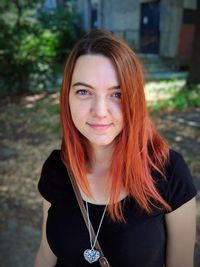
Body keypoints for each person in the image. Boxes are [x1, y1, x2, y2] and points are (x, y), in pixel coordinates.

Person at [34, 29, 197, 267]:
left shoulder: (168, 171)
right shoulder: (58, 168)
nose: (100, 111)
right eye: (83, 92)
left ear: (135, 99)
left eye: (117, 94)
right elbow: (46, 255)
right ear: (66, 96)